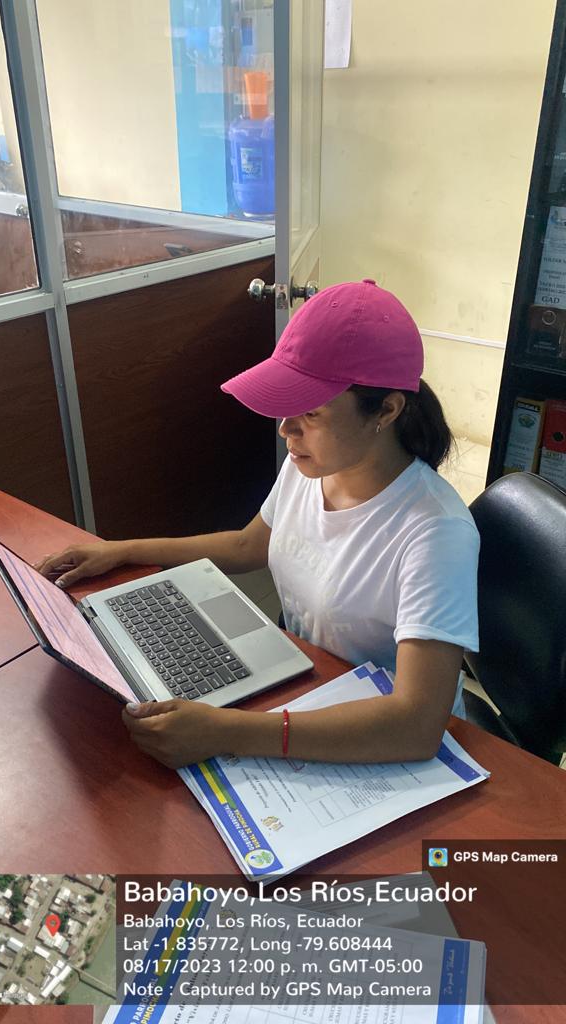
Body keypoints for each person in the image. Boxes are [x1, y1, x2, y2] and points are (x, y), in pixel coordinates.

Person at [36, 280, 479, 769]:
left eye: (310, 412)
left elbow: (417, 725)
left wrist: (224, 730)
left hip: (380, 739)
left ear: (387, 410)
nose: (286, 429)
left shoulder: (435, 532)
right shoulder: (312, 467)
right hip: (312, 690)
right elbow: (249, 545)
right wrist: (122, 550)